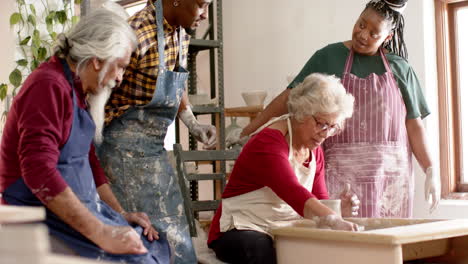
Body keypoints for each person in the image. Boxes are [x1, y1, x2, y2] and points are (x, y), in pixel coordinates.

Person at [233, 0, 440, 218]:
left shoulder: (401, 68)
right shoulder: (328, 57)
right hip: (339, 175)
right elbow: (288, 98)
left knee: (387, 244)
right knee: (341, 238)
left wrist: (431, 169)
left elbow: (414, 126)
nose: (362, 35)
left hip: (389, 182)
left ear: (387, 37)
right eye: (361, 24)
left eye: (373, 33)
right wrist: (250, 131)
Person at [0, 10, 170, 264]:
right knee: (136, 259)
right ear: (98, 60)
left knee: (152, 242)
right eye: (120, 66)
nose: (119, 78)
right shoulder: (48, 86)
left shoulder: (76, 91)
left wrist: (120, 213)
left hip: (72, 206)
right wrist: (103, 232)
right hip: (37, 212)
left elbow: (87, 160)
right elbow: (38, 172)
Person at [97, 0, 215, 262]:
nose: (205, 15)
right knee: (142, 237)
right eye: (202, 5)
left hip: (154, 150)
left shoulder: (183, 30)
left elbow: (177, 81)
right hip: (120, 153)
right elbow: (99, 88)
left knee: (176, 239)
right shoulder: (137, 32)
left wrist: (191, 122)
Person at [208, 73, 360, 264]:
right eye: (321, 124)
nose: (325, 134)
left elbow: (319, 200)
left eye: (332, 127)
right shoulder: (268, 142)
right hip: (239, 228)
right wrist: (331, 218)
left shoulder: (314, 150)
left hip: (282, 229)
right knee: (262, 248)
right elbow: (293, 192)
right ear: (301, 113)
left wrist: (339, 210)